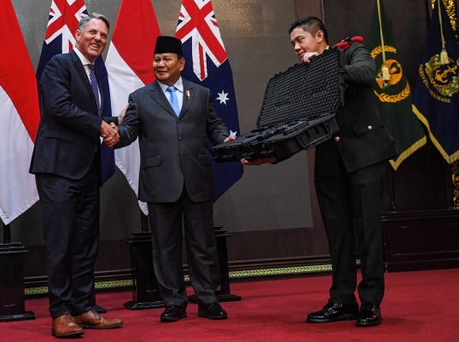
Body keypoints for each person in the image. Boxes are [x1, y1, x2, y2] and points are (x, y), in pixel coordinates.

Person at [245, 16, 396, 327]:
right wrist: (271, 156)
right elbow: (297, 128)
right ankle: (342, 300)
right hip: (329, 162)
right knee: (338, 235)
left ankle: (370, 302)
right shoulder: (302, 77)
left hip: (364, 155)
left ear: (319, 36)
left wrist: (327, 67)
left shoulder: (351, 52)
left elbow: (368, 75)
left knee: (368, 231)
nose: (297, 48)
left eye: (300, 41)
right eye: (293, 45)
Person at [111, 36, 233, 323]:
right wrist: (115, 133)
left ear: (181, 63)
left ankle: (208, 300)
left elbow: (214, 125)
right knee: (164, 247)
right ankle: (174, 302)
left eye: (166, 59)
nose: (160, 64)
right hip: (159, 182)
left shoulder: (201, 94)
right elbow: (128, 131)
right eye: (157, 59)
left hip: (197, 179)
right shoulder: (140, 97)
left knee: (202, 244)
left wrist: (224, 138)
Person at [30, 13, 122, 338]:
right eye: (93, 32)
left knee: (86, 244)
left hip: (87, 171)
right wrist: (100, 124)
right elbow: (59, 108)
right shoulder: (59, 65)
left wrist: (114, 122)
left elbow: (88, 115)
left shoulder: (97, 74)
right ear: (78, 34)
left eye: (103, 35)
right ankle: (60, 313)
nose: (98, 38)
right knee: (61, 244)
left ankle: (83, 308)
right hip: (58, 169)